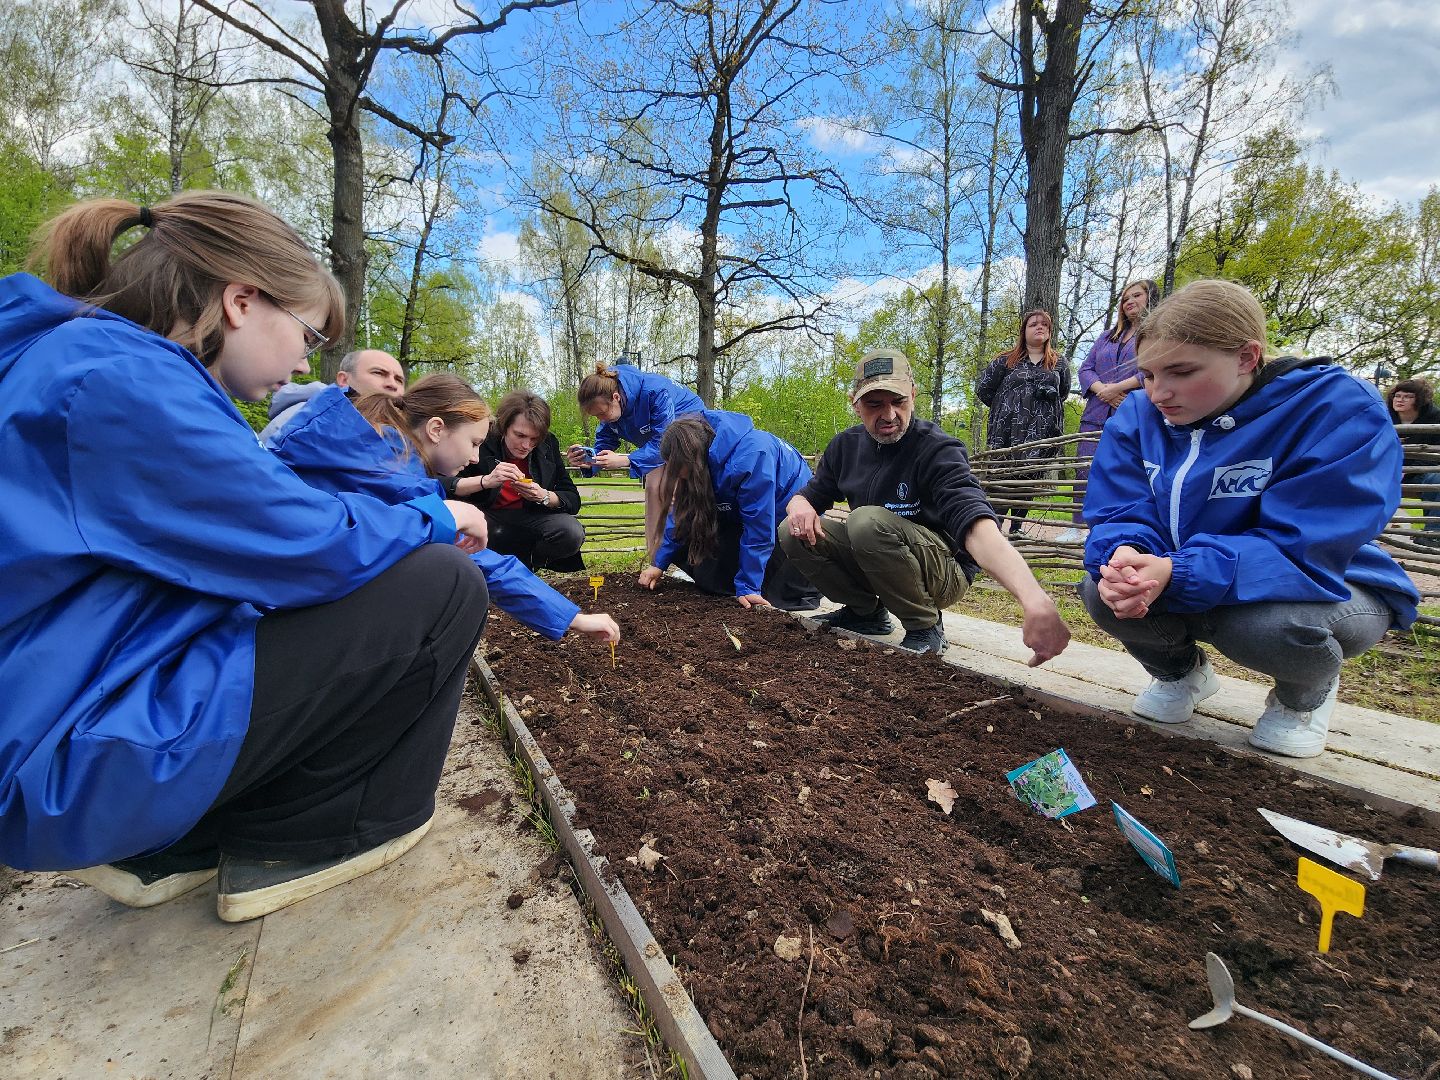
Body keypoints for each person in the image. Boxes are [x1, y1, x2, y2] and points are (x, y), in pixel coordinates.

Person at [0, 191, 494, 923]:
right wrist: (436, 514)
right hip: (65, 756)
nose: (304, 361)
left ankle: (179, 843)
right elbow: (312, 545)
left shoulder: (76, 357)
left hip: (61, 710)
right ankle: (308, 838)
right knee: (442, 583)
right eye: (307, 334)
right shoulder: (127, 386)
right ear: (240, 302)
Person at [1080, 279, 1419, 759]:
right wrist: (1126, 555)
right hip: (1190, 571)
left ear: (1246, 357)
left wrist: (1178, 570)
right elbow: (1119, 507)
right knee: (1105, 590)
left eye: (1181, 371)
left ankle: (1302, 698)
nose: (1159, 393)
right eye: (1149, 375)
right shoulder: (1139, 415)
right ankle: (1181, 675)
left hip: (1324, 585)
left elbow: (1308, 542)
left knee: (1260, 625)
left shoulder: (1336, 410)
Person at [267, 376, 619, 643]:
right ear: (436, 429)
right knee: (448, 571)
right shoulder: (389, 472)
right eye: (474, 443)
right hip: (281, 618)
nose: (476, 457)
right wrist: (574, 619)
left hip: (286, 598)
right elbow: (474, 558)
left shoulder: (376, 451)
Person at [778, 349, 1071, 660]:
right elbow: (809, 495)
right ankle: (865, 613)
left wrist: (1034, 599)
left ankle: (925, 625)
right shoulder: (844, 447)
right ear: (855, 404)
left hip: (944, 571)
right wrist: (799, 504)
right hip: (880, 555)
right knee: (791, 531)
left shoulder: (937, 449)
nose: (889, 415)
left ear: (914, 395)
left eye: (898, 401)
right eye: (874, 404)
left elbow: (974, 522)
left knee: (865, 522)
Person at [638, 412, 822, 610]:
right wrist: (659, 563)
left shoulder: (752, 457)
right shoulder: (702, 460)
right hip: (740, 514)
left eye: (677, 468)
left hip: (785, 521)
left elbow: (758, 527)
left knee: (776, 593)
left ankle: (774, 584)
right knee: (703, 561)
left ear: (690, 459)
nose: (676, 475)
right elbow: (682, 514)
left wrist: (748, 587)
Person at [566, 360, 705, 558]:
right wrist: (589, 461)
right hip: (661, 445)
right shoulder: (611, 407)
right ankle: (656, 560)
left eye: (602, 414)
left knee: (671, 490)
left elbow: (663, 441)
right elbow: (604, 443)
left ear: (615, 398)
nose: (601, 420)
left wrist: (627, 460)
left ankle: (689, 558)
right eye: (596, 416)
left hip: (690, 436)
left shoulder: (654, 392)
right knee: (653, 489)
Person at [1059, 279, 1160, 543]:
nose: (1129, 302)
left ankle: (1117, 527)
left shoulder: (1156, 333)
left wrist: (1118, 389)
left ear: (1151, 298)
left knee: (1125, 469)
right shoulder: (1107, 337)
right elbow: (1085, 369)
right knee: (1085, 468)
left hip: (1133, 411)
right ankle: (1077, 527)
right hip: (1096, 413)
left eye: (1136, 296)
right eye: (1125, 298)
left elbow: (1155, 368)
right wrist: (1102, 389)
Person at [453, 389, 585, 572]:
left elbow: (572, 497)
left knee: (571, 531)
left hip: (530, 515)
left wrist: (544, 496)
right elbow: (448, 484)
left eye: (534, 439)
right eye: (520, 435)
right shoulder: (481, 440)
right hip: (484, 514)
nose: (526, 445)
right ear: (504, 426)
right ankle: (483, 570)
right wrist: (486, 480)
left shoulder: (548, 444)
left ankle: (529, 564)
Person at [977, 309, 1072, 536]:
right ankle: (994, 529)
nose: (1039, 327)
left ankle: (1017, 527)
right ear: (1024, 331)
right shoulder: (1005, 360)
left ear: (1050, 332)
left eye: (1044, 325)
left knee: (1029, 478)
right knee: (1001, 478)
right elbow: (984, 389)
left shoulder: (1059, 363)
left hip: (1041, 432)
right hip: (1006, 432)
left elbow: (1063, 393)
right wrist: (1007, 407)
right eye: (1033, 324)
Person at [258, 348, 405, 443]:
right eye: (378, 373)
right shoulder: (308, 418)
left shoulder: (405, 439)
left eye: (399, 380)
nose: (392, 384)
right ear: (344, 380)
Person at [1386, 378, 1440, 544]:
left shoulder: (1436, 418)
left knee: (1437, 479)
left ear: (1420, 400)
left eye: (1407, 396)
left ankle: (1432, 535)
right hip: (1386, 470)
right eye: (1397, 396)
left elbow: (1435, 456)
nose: (1400, 400)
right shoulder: (1384, 416)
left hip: (1421, 472)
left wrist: (1408, 471)